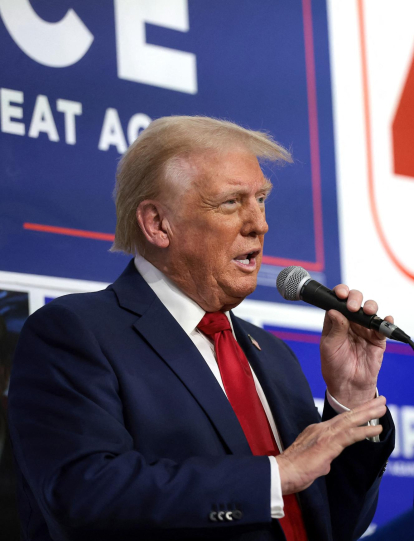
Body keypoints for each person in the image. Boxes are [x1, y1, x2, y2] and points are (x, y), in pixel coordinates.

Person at [8, 116, 394, 541]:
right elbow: (83, 491)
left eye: (261, 198)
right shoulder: (77, 333)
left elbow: (334, 523)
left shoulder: (274, 355)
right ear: (157, 224)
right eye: (231, 202)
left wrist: (352, 400)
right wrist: (274, 475)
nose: (259, 224)